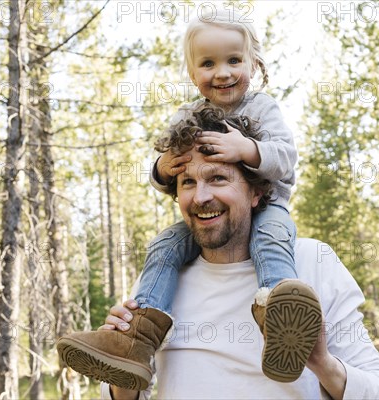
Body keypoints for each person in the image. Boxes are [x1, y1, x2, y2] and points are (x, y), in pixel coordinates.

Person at [57, 6, 321, 389]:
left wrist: (246, 149)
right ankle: (137, 338)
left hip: (268, 208)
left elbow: (286, 158)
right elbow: (168, 170)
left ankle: (280, 315)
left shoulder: (263, 109)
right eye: (208, 63)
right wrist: (164, 166)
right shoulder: (188, 114)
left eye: (234, 60)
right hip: (220, 217)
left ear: (254, 62)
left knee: (271, 238)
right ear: (193, 72)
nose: (223, 72)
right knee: (165, 243)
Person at [97, 111, 379, 399]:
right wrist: (121, 365)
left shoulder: (312, 261)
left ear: (256, 192)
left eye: (218, 178)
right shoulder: (161, 278)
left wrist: (322, 362)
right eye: (188, 182)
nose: (201, 197)